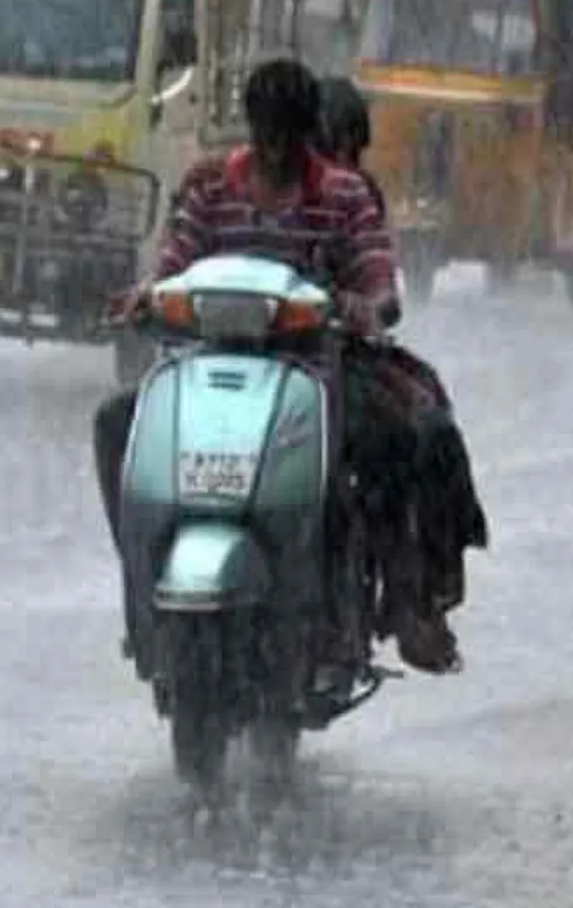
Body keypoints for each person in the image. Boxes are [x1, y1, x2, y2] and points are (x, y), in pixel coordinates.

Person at [93, 58, 463, 674]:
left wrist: (369, 306)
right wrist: (145, 295)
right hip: (208, 367)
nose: (274, 153)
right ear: (251, 127)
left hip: (315, 372)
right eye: (265, 135)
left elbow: (377, 278)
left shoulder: (344, 197)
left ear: (305, 132)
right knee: (114, 426)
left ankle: (402, 603)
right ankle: (141, 583)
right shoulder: (211, 187)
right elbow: (174, 261)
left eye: (287, 138)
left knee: (396, 441)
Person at [313, 75, 490, 617]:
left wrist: (360, 304)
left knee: (422, 424)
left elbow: (377, 276)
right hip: (257, 357)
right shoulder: (243, 190)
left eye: (339, 146)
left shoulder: (355, 197)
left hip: (334, 356)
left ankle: (419, 593)